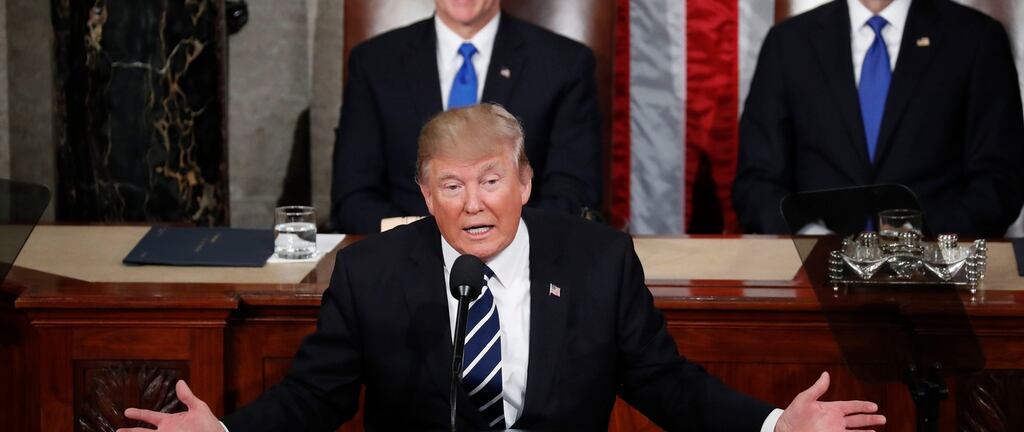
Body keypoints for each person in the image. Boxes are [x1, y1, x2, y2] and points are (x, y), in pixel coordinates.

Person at [120, 103, 885, 431]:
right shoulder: (372, 273)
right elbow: (314, 399)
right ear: (425, 194)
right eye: (451, 185)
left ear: (523, 183)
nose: (474, 204)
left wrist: (777, 422)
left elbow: (665, 383)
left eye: (491, 180)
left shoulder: (596, 261)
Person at [734, 0, 1024, 236]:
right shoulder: (788, 44)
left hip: (935, 275)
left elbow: (1000, 183)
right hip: (815, 275)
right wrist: (808, 236)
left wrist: (922, 239)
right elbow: (756, 183)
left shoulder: (976, 42)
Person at [330, 0, 602, 233]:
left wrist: (492, 240)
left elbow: (573, 194)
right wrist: (429, 244)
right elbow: (352, 197)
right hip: (403, 264)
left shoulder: (564, 65)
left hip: (522, 265)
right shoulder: (374, 63)